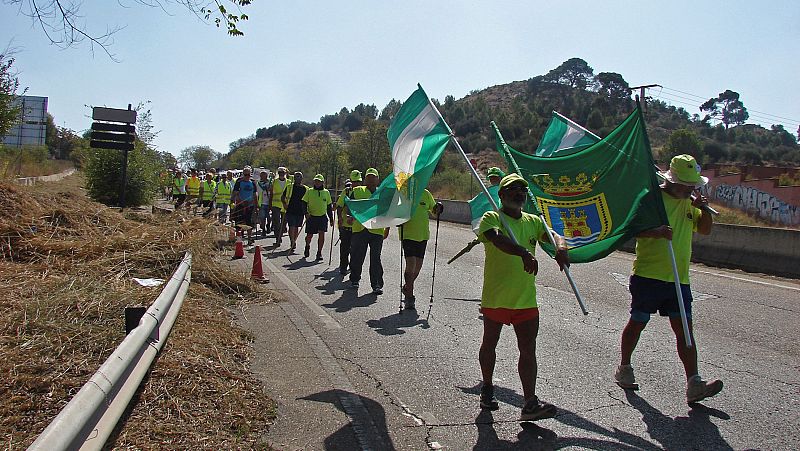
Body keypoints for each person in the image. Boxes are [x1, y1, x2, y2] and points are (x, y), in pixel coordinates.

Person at [614, 154, 722, 404]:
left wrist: (703, 209)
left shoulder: (690, 203)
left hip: (678, 279)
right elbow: (631, 229)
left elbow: (704, 230)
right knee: (638, 322)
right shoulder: (651, 199)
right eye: (687, 184)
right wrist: (657, 232)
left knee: (684, 330)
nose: (691, 189)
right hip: (648, 276)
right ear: (673, 181)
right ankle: (625, 367)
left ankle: (694, 382)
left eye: (694, 185)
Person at [477, 173, 569, 421]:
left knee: (528, 350)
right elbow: (496, 240)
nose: (519, 194)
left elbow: (553, 235)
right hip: (496, 297)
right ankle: (487, 387)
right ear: (502, 195)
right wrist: (523, 253)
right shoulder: (491, 218)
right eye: (513, 190)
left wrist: (560, 247)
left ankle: (529, 402)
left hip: (525, 300)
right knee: (490, 344)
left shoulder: (533, 220)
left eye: (523, 190)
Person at [399, 189, 443, 310]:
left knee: (417, 268)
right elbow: (396, 213)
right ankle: (410, 297)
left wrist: (438, 208)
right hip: (408, 234)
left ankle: (407, 287)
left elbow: (434, 211)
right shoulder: (403, 193)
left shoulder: (426, 193)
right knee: (411, 264)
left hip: (422, 235)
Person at [347, 168, 389, 294]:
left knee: (375, 258)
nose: (371, 180)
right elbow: (350, 205)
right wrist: (350, 216)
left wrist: (388, 228)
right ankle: (355, 280)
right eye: (368, 178)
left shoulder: (382, 193)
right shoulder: (357, 191)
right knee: (357, 256)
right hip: (360, 229)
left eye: (373, 178)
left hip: (376, 231)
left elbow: (386, 212)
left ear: (378, 179)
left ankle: (376, 284)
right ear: (365, 179)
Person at [302, 174, 334, 261]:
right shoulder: (309, 191)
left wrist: (331, 219)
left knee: (322, 234)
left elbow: (328, 207)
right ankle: (307, 246)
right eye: (316, 181)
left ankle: (319, 252)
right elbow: (304, 203)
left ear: (322, 182)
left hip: (322, 217)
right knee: (309, 235)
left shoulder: (326, 192)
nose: (317, 183)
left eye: (319, 181)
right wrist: (306, 213)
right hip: (311, 217)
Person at [336, 170, 362, 275]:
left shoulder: (363, 191)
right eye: (354, 182)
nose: (356, 184)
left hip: (358, 226)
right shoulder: (346, 192)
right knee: (345, 248)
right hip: (346, 226)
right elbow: (339, 206)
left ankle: (353, 267)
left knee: (355, 250)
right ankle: (343, 267)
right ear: (351, 181)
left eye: (358, 182)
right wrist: (340, 218)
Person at [231, 166, 258, 244]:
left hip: (250, 205)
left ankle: (249, 238)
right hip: (240, 205)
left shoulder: (253, 182)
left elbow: (255, 194)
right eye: (245, 175)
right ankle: (239, 239)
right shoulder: (239, 182)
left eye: (248, 175)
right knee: (239, 223)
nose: (247, 176)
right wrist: (239, 201)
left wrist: (256, 206)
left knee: (249, 222)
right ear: (243, 174)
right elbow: (235, 193)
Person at [282, 172, 308, 253]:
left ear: (302, 178)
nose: (298, 178)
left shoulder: (305, 189)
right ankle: (292, 241)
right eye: (296, 177)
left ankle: (294, 240)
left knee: (296, 227)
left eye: (299, 177)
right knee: (291, 226)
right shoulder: (289, 187)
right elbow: (282, 197)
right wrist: (284, 204)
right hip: (290, 209)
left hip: (300, 211)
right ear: (294, 178)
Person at [269, 167, 290, 245]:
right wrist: (270, 204)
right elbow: (271, 194)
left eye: (283, 172)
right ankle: (278, 239)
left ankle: (280, 235)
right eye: (280, 172)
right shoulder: (274, 182)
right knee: (276, 223)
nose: (282, 173)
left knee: (284, 223)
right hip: (276, 205)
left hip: (285, 205)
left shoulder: (289, 182)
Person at [256, 170, 272, 238]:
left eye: (264, 175)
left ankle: (268, 225)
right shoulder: (258, 183)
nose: (262, 177)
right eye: (261, 175)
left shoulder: (270, 182)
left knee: (269, 217)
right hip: (262, 203)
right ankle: (263, 230)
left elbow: (272, 191)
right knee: (262, 217)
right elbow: (257, 193)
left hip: (269, 202)